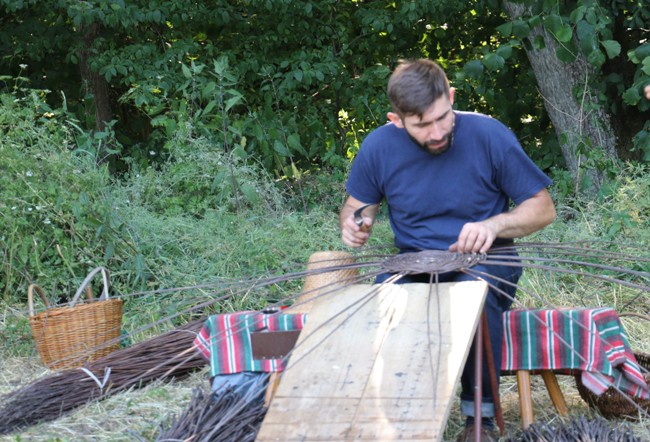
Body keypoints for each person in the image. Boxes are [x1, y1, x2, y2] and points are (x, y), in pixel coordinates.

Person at [339, 59, 556, 441]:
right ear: (396, 120)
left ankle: (480, 420)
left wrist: (493, 225)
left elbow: (542, 207)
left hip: (489, 261)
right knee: (383, 304)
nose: (437, 131)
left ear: (451, 97)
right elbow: (358, 206)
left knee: (474, 296)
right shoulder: (378, 147)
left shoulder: (489, 135)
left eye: (443, 117)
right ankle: (403, 415)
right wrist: (357, 223)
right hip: (413, 261)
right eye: (422, 125)